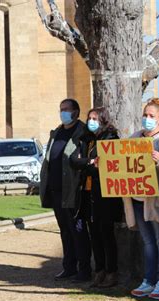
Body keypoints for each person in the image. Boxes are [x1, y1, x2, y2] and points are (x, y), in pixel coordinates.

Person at [125, 98, 159, 299]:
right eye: (145, 115)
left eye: (151, 116)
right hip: (138, 198)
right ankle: (148, 280)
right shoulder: (134, 137)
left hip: (158, 200)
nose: (147, 119)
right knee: (147, 241)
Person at [40, 99, 91, 282]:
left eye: (66, 109)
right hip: (56, 191)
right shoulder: (57, 132)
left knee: (77, 231)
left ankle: (84, 269)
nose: (63, 113)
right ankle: (68, 267)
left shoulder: (83, 132)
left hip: (73, 191)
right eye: (61, 109)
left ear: (76, 112)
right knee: (65, 230)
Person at [70, 107, 122, 287]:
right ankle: (99, 270)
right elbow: (73, 160)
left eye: (95, 118)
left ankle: (111, 271)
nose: (91, 121)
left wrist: (87, 165)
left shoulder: (110, 138)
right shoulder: (85, 138)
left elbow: (108, 164)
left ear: (102, 120)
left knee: (106, 233)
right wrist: (90, 162)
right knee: (94, 234)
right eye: (89, 117)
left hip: (105, 194)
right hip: (87, 192)